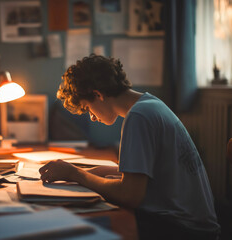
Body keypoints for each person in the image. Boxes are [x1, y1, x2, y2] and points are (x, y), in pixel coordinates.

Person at [39, 54, 220, 240]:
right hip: (196, 225)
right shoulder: (150, 105)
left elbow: (130, 195)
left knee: (80, 225)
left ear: (97, 94)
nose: (92, 117)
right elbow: (135, 175)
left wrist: (74, 174)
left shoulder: (139, 117)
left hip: (183, 231)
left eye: (87, 108)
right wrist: (79, 171)